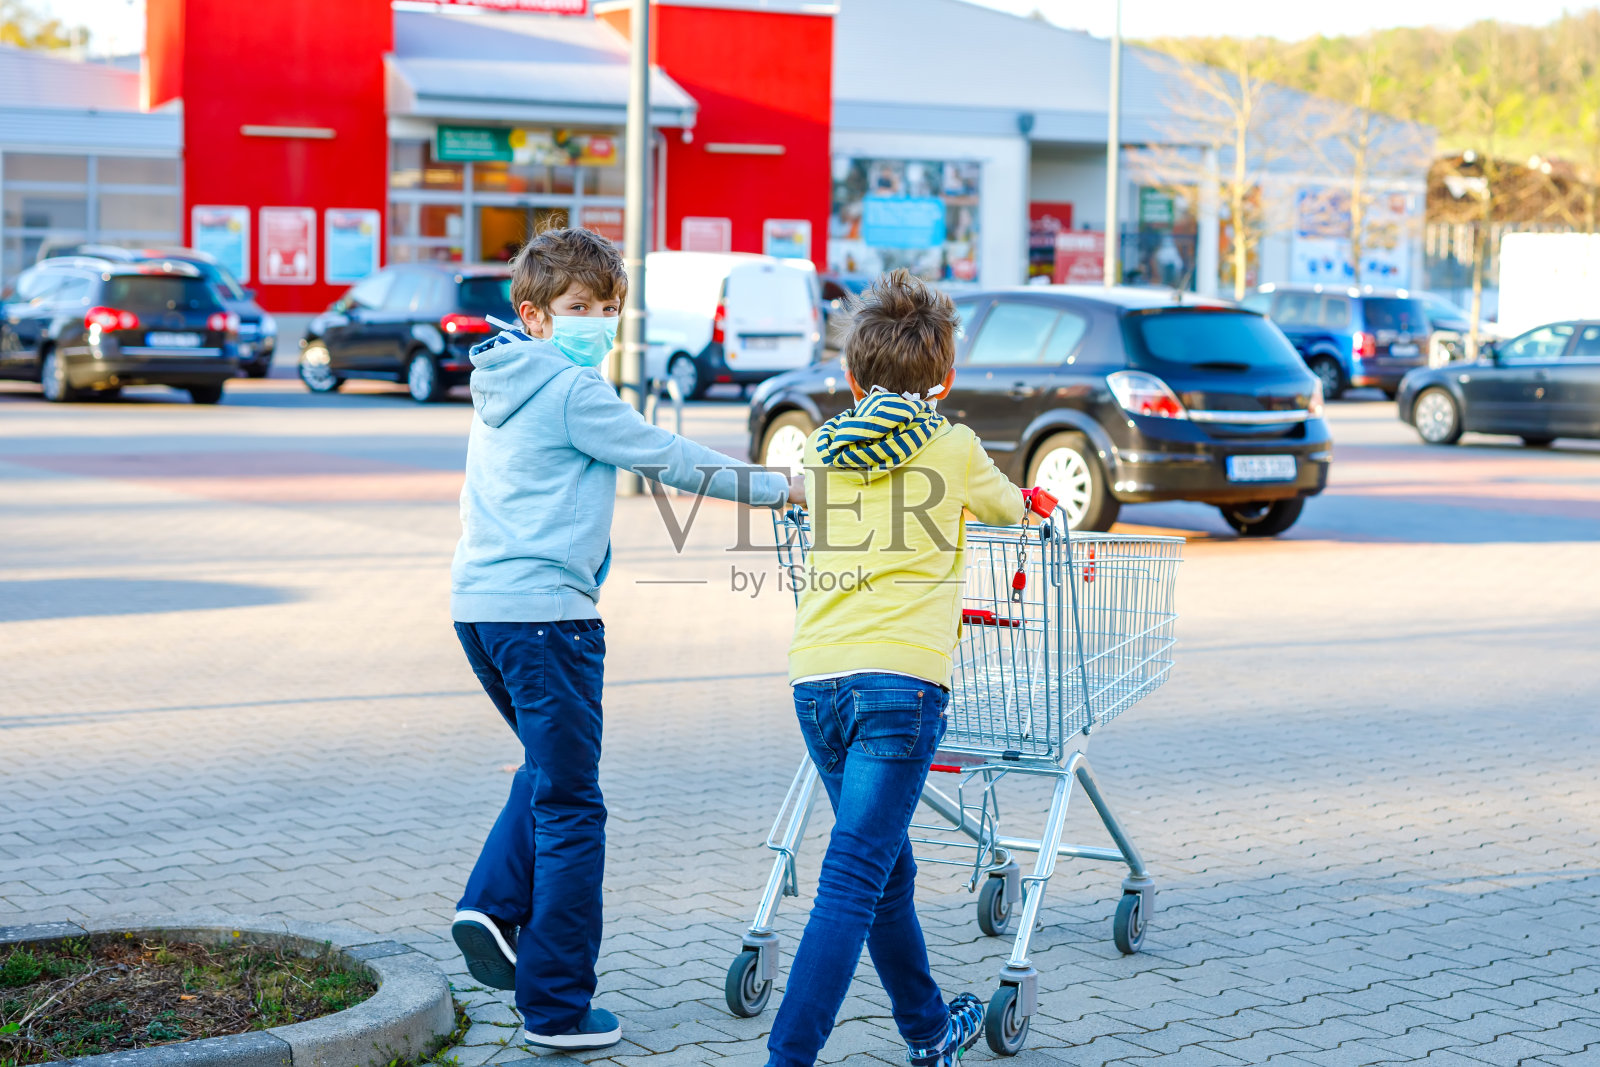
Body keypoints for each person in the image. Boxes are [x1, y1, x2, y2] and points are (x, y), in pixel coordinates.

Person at [448, 227, 800, 1052]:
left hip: (481, 609)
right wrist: (777, 486)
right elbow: (669, 458)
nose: (597, 322)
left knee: (547, 767)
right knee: (574, 804)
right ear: (533, 314)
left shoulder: (501, 378)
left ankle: (491, 906)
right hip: (546, 620)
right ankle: (557, 1007)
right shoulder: (570, 388)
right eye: (579, 308)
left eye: (609, 307)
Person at [769, 269, 1032, 1067]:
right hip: (901, 687)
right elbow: (1010, 511)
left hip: (816, 682)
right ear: (944, 377)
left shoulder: (820, 444)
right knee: (853, 876)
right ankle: (788, 1056)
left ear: (851, 377)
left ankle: (927, 1029)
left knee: (884, 867)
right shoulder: (951, 444)